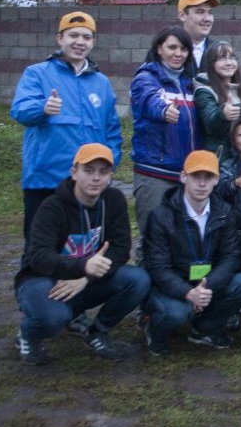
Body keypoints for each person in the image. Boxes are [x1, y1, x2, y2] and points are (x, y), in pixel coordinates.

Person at [14, 144, 149, 365]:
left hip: (85, 278)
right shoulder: (52, 207)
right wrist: (83, 266)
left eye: (103, 172)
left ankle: (98, 332)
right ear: (74, 172)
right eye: (88, 170)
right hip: (42, 278)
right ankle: (28, 333)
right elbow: (38, 256)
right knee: (54, 318)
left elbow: (120, 249)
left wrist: (86, 277)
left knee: (138, 279)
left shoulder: (114, 200)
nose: (96, 178)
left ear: (111, 176)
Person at [10, 11, 122, 247]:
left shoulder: (101, 83)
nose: (80, 42)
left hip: (87, 183)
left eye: (86, 37)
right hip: (45, 180)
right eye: (73, 35)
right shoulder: (37, 73)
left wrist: (109, 166)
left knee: (82, 247)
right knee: (40, 247)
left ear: (93, 42)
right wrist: (42, 108)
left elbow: (112, 130)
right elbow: (20, 110)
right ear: (60, 38)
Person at [142, 151, 241, 355]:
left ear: (216, 180)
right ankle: (155, 333)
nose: (202, 184)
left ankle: (204, 329)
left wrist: (205, 287)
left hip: (206, 282)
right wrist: (188, 292)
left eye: (208, 177)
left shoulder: (224, 212)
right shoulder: (161, 215)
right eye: (196, 176)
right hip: (172, 285)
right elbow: (157, 267)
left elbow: (231, 257)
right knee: (176, 312)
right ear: (183, 177)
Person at [131, 26, 201, 261]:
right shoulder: (146, 78)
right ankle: (142, 283)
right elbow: (150, 100)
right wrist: (163, 110)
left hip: (185, 174)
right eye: (172, 47)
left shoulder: (189, 84)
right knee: (152, 240)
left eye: (183, 49)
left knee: (179, 242)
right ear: (159, 49)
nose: (178, 53)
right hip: (154, 173)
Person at [194, 41, 241, 161]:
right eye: (222, 58)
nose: (229, 63)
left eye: (232, 57)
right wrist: (223, 114)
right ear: (210, 64)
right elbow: (210, 122)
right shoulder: (204, 90)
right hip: (219, 158)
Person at [177, 0, 218, 73]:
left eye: (210, 13)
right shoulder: (167, 51)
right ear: (182, 15)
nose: (207, 19)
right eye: (200, 12)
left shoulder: (220, 51)